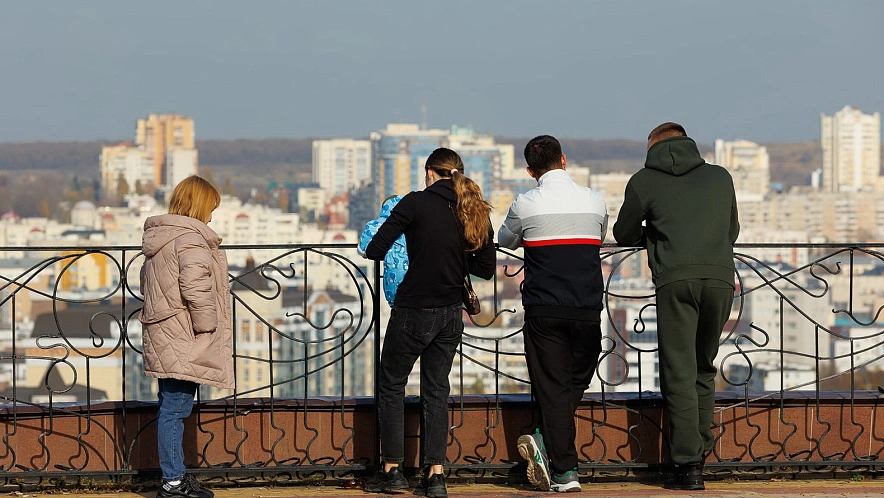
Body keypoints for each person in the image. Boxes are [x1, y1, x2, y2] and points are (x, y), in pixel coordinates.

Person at [612, 122, 739, 491]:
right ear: (687, 141)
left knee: (678, 371)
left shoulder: (643, 180)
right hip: (719, 279)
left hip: (674, 281)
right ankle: (700, 452)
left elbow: (624, 234)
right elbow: (732, 230)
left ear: (652, 147)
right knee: (703, 367)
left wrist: (652, 234)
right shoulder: (720, 176)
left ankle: (686, 465)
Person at [363, 148, 496, 497]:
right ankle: (435, 475)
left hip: (413, 309)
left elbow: (376, 249)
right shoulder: (475, 208)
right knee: (436, 390)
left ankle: (392, 471)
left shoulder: (416, 202)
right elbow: (484, 269)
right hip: (451, 312)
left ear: (429, 172)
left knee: (391, 383)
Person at [498, 135, 607, 493]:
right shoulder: (594, 200)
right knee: (575, 382)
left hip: (544, 309)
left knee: (553, 387)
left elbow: (505, 240)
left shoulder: (526, 203)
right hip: (588, 307)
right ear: (564, 160)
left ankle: (560, 466)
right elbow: (599, 234)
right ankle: (557, 457)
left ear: (530, 170)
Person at [140, 175, 233, 498]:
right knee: (175, 409)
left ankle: (174, 478)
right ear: (200, 205)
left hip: (164, 331)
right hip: (184, 335)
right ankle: (174, 482)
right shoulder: (190, 240)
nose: (211, 216)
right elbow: (196, 288)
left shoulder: (160, 239)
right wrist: (207, 326)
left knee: (169, 405)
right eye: (211, 208)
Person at [358, 195, 408, 307]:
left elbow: (362, 249)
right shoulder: (412, 224)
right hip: (418, 284)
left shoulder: (379, 224)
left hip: (394, 285)